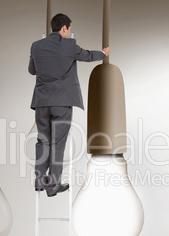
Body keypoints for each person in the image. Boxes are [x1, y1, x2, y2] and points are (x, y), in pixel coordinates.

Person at [28, 13, 110, 197]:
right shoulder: (69, 45)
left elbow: (31, 70)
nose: (69, 31)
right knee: (57, 143)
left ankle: (40, 180)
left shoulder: (36, 46)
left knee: (43, 140)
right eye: (69, 28)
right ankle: (53, 185)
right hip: (62, 103)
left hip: (41, 102)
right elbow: (87, 56)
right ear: (64, 28)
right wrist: (104, 53)